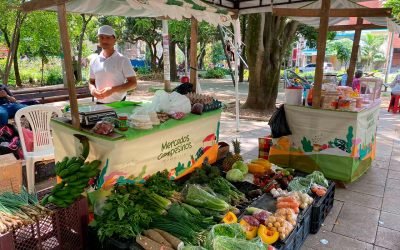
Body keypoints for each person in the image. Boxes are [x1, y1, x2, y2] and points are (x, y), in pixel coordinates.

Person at [89, 25, 137, 104]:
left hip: (119, 105)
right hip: (100, 105)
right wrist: (93, 90)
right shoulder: (94, 61)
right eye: (101, 37)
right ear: (98, 40)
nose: (104, 40)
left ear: (114, 40)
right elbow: (91, 82)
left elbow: (133, 83)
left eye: (108, 37)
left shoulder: (123, 60)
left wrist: (112, 90)